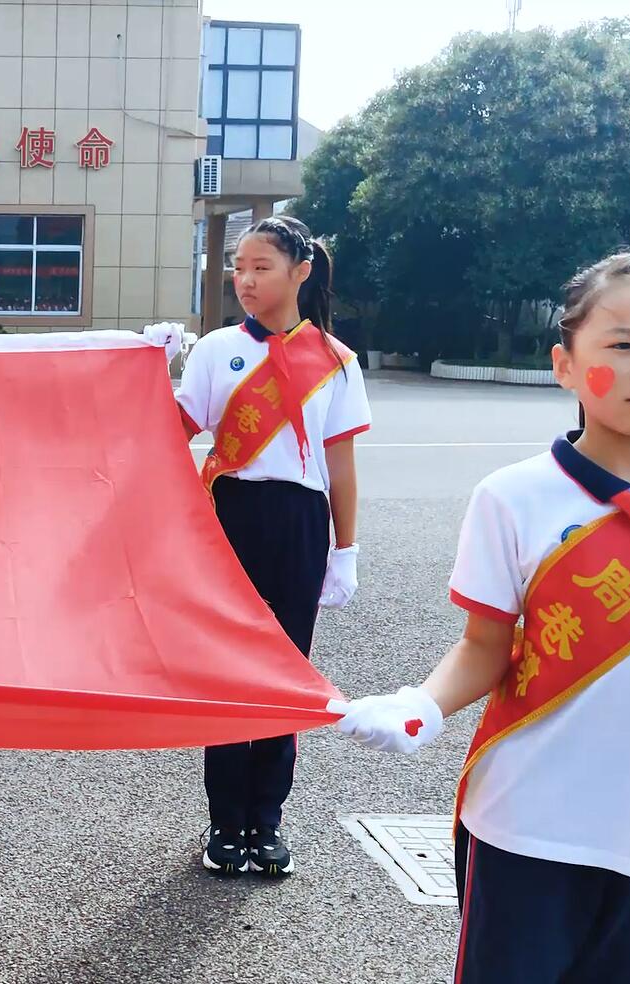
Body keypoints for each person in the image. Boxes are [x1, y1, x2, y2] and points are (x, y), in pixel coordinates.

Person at [336, 251, 630, 983]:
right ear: (566, 365)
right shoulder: (513, 499)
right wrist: (423, 705)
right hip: (528, 826)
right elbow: (484, 648)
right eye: (624, 344)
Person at [174, 214, 371, 878]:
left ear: (301, 272)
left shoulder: (338, 363)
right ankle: (224, 821)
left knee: (286, 673)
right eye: (239, 268)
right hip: (229, 513)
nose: (246, 280)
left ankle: (266, 820)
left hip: (299, 521)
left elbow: (340, 466)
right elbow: (173, 429)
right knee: (229, 670)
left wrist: (344, 548)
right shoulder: (215, 349)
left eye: (261, 267)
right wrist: (147, 368)